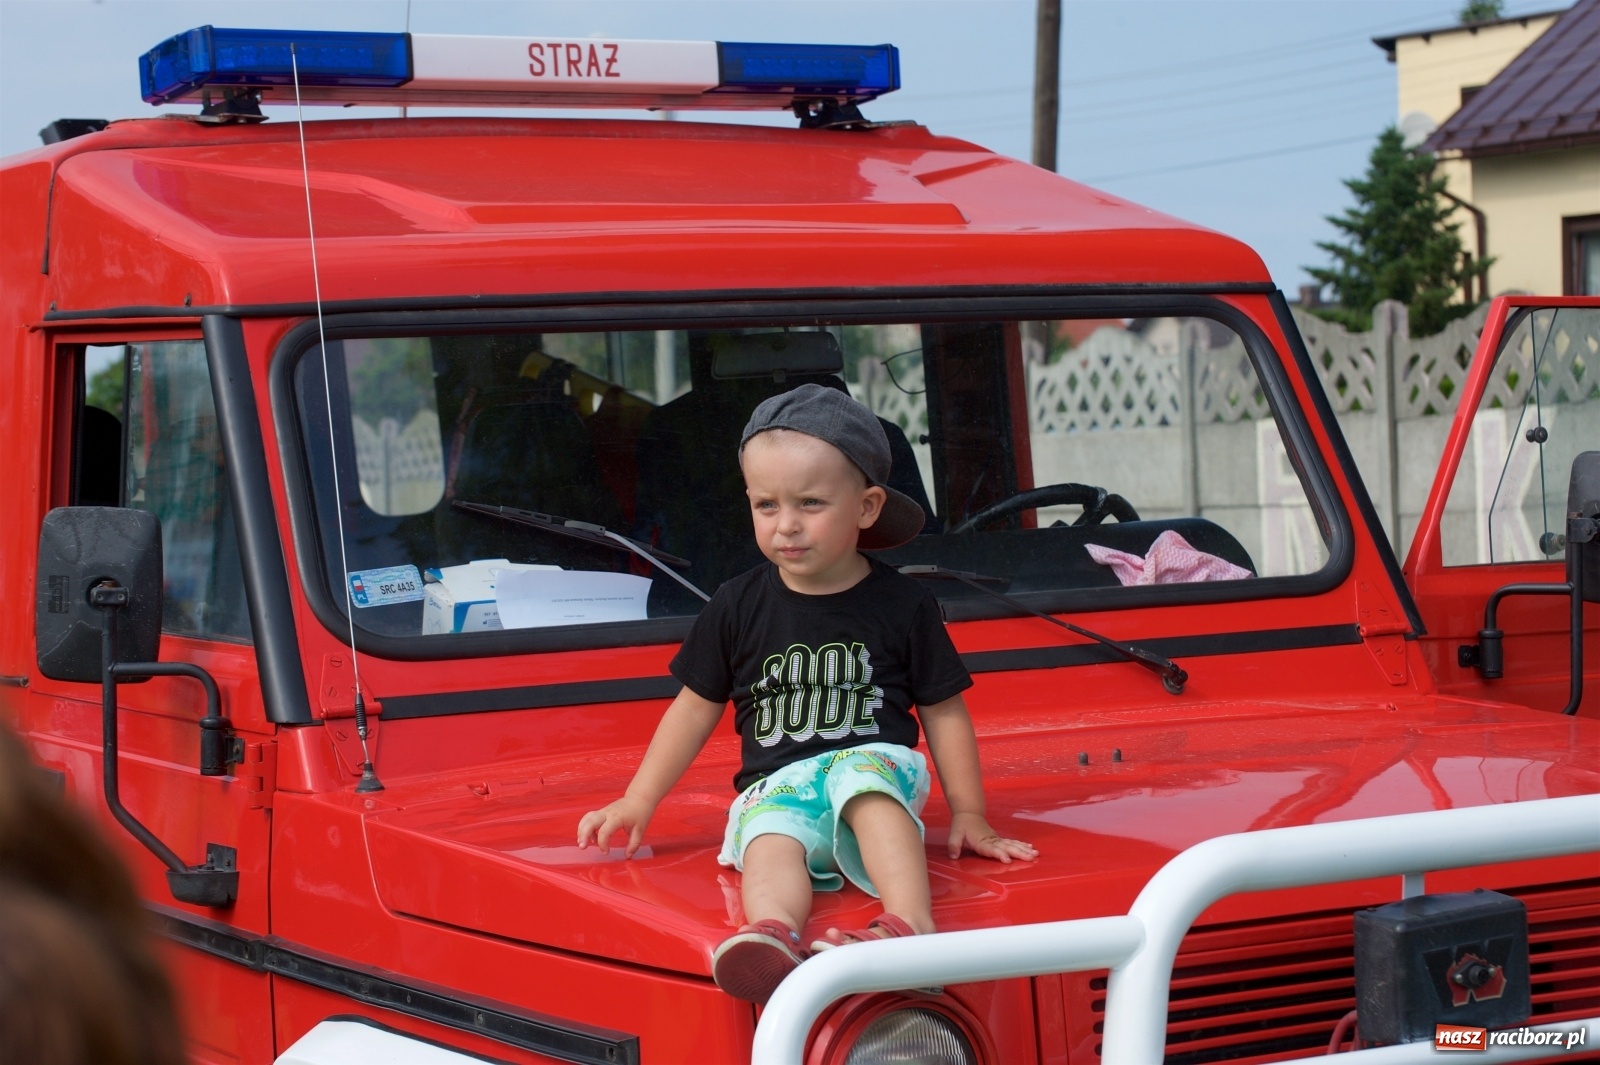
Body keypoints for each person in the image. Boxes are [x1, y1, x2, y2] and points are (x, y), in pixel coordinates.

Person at [577, 383, 1037, 1003]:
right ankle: (770, 934)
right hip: (782, 782)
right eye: (766, 505)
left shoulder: (904, 605)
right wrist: (637, 800)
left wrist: (970, 813)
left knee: (868, 790)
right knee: (767, 838)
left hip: (874, 766)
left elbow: (944, 711)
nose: (786, 525)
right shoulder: (736, 605)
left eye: (811, 503)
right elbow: (692, 708)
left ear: (867, 507)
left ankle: (908, 924)